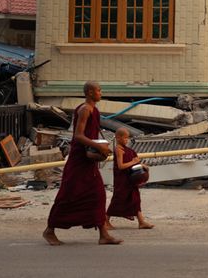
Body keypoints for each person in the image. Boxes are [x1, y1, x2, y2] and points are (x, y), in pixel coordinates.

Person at [43, 81, 122, 245]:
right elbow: (78, 135)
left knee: (98, 194)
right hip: (78, 160)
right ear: (90, 93)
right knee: (69, 194)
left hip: (88, 162)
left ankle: (103, 234)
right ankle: (50, 230)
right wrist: (98, 146)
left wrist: (100, 147)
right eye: (99, 90)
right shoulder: (85, 109)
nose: (101, 92)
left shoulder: (94, 110)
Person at [105, 127, 154, 230]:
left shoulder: (127, 149)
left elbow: (133, 162)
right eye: (125, 138)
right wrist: (134, 162)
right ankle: (105, 221)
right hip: (122, 179)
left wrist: (142, 165)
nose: (126, 140)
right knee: (118, 199)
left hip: (130, 179)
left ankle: (141, 222)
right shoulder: (119, 149)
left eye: (128, 138)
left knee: (135, 199)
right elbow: (121, 166)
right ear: (118, 138)